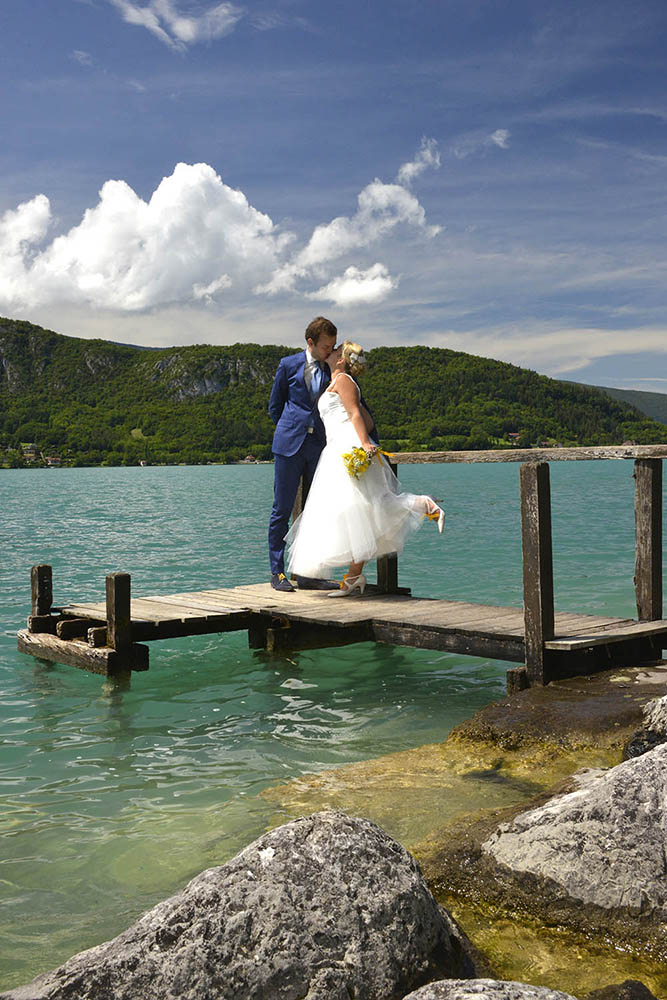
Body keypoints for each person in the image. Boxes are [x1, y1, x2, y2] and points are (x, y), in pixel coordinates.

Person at [285, 341, 445, 596]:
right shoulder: (336, 382)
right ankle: (353, 578)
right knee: (356, 511)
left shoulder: (344, 380)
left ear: (340, 359)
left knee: (363, 506)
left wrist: (363, 443)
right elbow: (363, 415)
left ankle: (424, 504)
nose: (331, 351)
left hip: (347, 448)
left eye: (336, 350)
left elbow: (358, 417)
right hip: (336, 447)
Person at [268, 316, 339, 592]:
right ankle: (278, 573)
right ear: (310, 342)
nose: (330, 351)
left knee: (314, 511)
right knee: (281, 509)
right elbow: (275, 406)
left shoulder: (332, 366)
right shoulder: (288, 365)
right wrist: (291, 430)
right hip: (289, 445)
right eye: (325, 346)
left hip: (318, 447)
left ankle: (309, 574)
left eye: (333, 346)